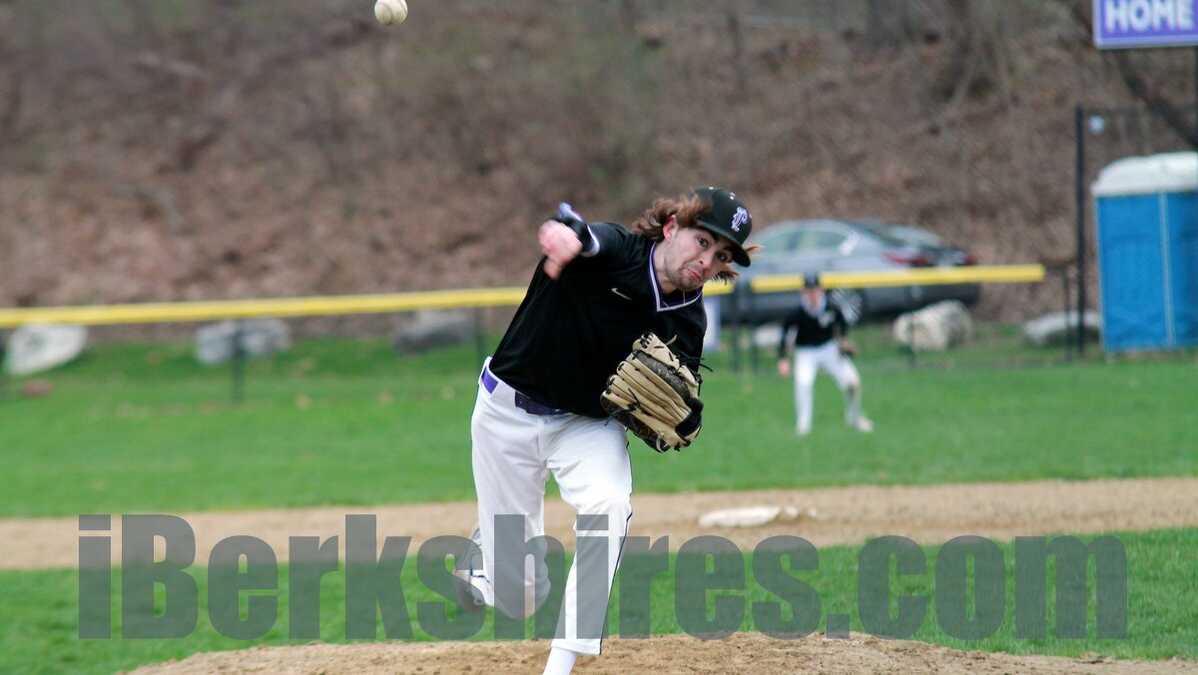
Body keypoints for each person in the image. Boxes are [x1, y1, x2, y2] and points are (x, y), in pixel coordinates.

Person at [454, 187, 755, 675]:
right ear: (672, 227)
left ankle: (560, 666)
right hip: (505, 416)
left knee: (609, 506)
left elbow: (673, 405)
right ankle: (485, 556)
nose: (707, 261)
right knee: (519, 598)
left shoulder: (688, 319)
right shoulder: (618, 250)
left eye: (721, 256)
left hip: (585, 425)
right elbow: (587, 235)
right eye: (703, 242)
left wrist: (682, 418)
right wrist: (567, 236)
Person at [776, 273, 873, 436]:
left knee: (853, 382)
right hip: (806, 352)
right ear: (803, 292)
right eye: (808, 291)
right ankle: (803, 427)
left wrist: (843, 342)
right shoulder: (797, 313)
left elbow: (842, 326)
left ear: (821, 290)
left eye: (815, 290)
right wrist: (783, 359)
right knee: (803, 383)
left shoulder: (831, 308)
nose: (812, 294)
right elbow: (785, 335)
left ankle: (855, 418)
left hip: (829, 348)